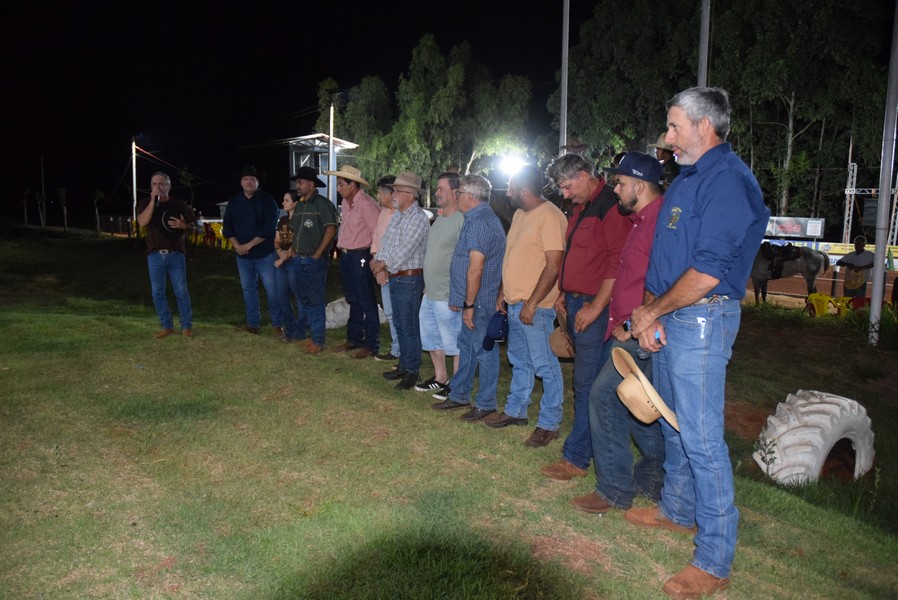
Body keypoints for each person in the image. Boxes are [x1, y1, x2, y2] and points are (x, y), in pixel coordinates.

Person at [628, 87, 769, 599]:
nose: (667, 138)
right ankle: (678, 509)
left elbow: (708, 272)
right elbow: (664, 258)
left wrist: (651, 312)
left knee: (702, 440)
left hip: (703, 318)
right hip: (672, 316)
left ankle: (713, 560)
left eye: (674, 127)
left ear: (704, 126)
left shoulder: (729, 181)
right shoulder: (687, 179)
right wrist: (651, 312)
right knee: (673, 422)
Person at [565, 152, 666, 516]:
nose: (616, 189)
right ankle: (655, 478)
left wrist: (632, 325)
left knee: (604, 397)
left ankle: (614, 490)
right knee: (636, 403)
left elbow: (659, 280)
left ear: (640, 185)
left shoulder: (660, 223)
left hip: (638, 331)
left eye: (621, 183)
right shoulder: (640, 220)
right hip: (624, 326)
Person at [538, 153, 630, 480]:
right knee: (588, 383)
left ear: (584, 175)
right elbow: (579, 255)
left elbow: (617, 262)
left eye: (567, 186)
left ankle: (576, 458)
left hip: (595, 307)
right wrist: (566, 289)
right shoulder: (581, 207)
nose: (564, 194)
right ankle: (585, 449)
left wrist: (595, 306)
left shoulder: (610, 206)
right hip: (578, 302)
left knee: (586, 384)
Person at [484, 165, 568, 448]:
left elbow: (553, 265)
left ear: (524, 190)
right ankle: (516, 410)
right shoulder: (521, 214)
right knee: (519, 361)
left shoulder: (551, 217)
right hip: (514, 303)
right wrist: (503, 291)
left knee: (545, 365)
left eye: (511, 188)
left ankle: (550, 423)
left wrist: (531, 304)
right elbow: (513, 257)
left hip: (537, 308)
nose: (507, 194)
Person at [432, 174, 506, 420]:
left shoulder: (480, 223)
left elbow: (476, 268)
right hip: (477, 300)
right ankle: (459, 394)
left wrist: (469, 304)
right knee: (467, 347)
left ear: (471, 197)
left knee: (484, 351)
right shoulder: (476, 219)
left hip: (480, 301)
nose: (457, 196)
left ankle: (486, 403)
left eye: (460, 192)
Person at [370, 172, 430, 390]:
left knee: (408, 325)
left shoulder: (418, 219)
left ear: (411, 194)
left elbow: (405, 250)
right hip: (398, 277)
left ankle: (412, 370)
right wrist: (378, 260)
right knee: (400, 323)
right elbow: (386, 242)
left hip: (409, 278)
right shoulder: (398, 215)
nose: (393, 194)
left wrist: (381, 264)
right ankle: (404, 365)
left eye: (397, 191)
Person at [413, 172, 464, 397]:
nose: (436, 192)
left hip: (448, 293)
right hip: (430, 292)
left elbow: (465, 259)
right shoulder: (440, 219)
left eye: (441, 188)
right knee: (431, 338)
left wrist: (458, 292)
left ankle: (458, 385)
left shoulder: (462, 220)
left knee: (454, 343)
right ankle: (441, 378)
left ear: (455, 192)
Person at [326, 165, 382, 358]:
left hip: (361, 255)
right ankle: (354, 338)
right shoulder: (345, 202)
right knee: (353, 298)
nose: (338, 188)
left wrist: (375, 257)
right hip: (347, 255)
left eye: (341, 184)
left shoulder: (366, 204)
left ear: (352, 185)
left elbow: (378, 232)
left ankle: (371, 344)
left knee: (366, 299)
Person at [136, 171, 196, 338]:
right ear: (151, 187)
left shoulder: (179, 204)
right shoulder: (145, 202)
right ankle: (166, 325)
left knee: (181, 290)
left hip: (176, 254)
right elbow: (142, 222)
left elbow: (194, 229)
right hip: (154, 256)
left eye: (161, 183)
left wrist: (184, 225)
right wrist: (152, 202)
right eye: (154, 184)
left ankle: (186, 326)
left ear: (169, 186)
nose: (158, 186)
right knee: (157, 292)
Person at [285, 167, 338, 353]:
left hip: (314, 260)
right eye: (297, 182)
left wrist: (317, 254)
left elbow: (331, 230)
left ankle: (318, 340)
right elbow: (295, 230)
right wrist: (293, 250)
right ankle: (309, 334)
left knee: (315, 299)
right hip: (299, 259)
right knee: (305, 299)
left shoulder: (322, 204)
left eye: (300, 182)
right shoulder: (300, 206)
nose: (297, 186)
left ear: (311, 184)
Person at [370, 175, 400, 363]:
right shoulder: (383, 213)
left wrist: (384, 268)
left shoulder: (401, 215)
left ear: (389, 194)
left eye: (380, 192)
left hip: (397, 272)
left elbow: (398, 248)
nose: (378, 196)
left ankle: (402, 351)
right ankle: (396, 350)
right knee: (389, 312)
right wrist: (377, 265)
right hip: (381, 270)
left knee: (399, 313)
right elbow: (376, 240)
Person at [274, 191, 299, 341]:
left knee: (299, 296)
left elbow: (297, 241)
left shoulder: (299, 219)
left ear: (295, 203)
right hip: (282, 260)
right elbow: (277, 239)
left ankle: (301, 330)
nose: (283, 203)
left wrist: (283, 258)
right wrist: (279, 251)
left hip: (293, 261)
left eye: (287, 200)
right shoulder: (283, 219)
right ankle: (290, 329)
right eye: (283, 200)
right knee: (281, 297)